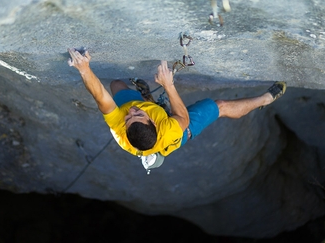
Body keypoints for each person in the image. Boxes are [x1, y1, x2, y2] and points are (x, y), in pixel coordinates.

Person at [67, 48, 287, 171]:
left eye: (129, 118)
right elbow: (181, 116)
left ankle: (150, 100)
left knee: (116, 85)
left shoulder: (119, 130)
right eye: (138, 115)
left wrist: (84, 69)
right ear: (154, 122)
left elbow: (99, 95)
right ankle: (264, 100)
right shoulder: (171, 130)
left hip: (152, 115)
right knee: (220, 106)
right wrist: (168, 84)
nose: (131, 111)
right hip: (182, 128)